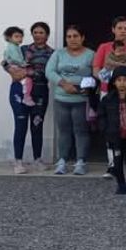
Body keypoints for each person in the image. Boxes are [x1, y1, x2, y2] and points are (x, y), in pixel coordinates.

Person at [3, 22, 54, 174]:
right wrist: (12, 72)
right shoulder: (21, 49)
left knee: (37, 126)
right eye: (35, 32)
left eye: (41, 32)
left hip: (40, 92)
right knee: (20, 125)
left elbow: (49, 72)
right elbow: (5, 62)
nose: (38, 35)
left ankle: (37, 159)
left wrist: (30, 73)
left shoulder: (52, 53)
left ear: (47, 35)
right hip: (19, 91)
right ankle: (18, 162)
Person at [45, 25, 95, 175]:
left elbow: (97, 73)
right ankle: (62, 161)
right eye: (69, 36)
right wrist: (64, 84)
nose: (72, 39)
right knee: (64, 131)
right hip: (61, 98)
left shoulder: (91, 54)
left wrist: (90, 86)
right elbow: (49, 71)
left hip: (81, 99)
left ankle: (81, 161)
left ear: (82, 37)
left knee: (81, 131)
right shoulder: (58, 54)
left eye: (76, 36)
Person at [93, 16, 126, 96]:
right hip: (107, 90)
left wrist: (113, 70)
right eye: (119, 28)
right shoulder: (103, 47)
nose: (123, 31)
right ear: (113, 29)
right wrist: (106, 78)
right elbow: (96, 70)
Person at [2, 26, 35, 107]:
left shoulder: (16, 47)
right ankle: (26, 97)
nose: (19, 39)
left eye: (21, 36)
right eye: (16, 36)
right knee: (27, 81)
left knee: (26, 80)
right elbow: (15, 58)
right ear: (9, 38)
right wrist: (23, 64)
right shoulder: (12, 47)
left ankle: (26, 96)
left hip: (16, 66)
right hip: (15, 67)